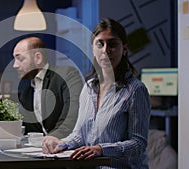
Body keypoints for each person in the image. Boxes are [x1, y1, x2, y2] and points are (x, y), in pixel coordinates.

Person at [42, 18, 151, 169]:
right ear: (93, 49)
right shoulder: (88, 88)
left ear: (124, 49)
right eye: (100, 44)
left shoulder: (135, 90)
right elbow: (79, 135)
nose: (106, 50)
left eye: (112, 44)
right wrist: (62, 143)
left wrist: (101, 150)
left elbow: (138, 143)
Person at [0, 36, 84, 138]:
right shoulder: (28, 91)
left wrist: (52, 139)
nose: (15, 65)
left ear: (38, 58)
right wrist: (0, 100)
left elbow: (72, 116)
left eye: (20, 59)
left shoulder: (66, 74)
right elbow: (26, 121)